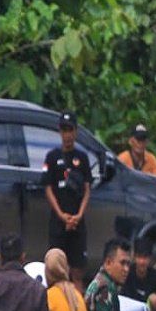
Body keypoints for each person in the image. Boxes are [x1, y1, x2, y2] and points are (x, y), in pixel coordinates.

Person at [42, 112, 92, 285]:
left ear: (76, 132)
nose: (67, 135)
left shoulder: (82, 158)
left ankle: (78, 309)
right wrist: (61, 214)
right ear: (60, 132)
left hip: (77, 222)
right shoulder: (52, 157)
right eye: (64, 130)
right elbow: (48, 188)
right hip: (58, 222)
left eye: (70, 130)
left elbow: (87, 189)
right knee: (56, 269)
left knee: (77, 271)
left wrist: (78, 215)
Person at [123, 236, 156, 311]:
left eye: (145, 258)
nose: (142, 262)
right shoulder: (127, 274)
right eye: (139, 257)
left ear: (150, 259)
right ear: (134, 258)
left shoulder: (154, 276)